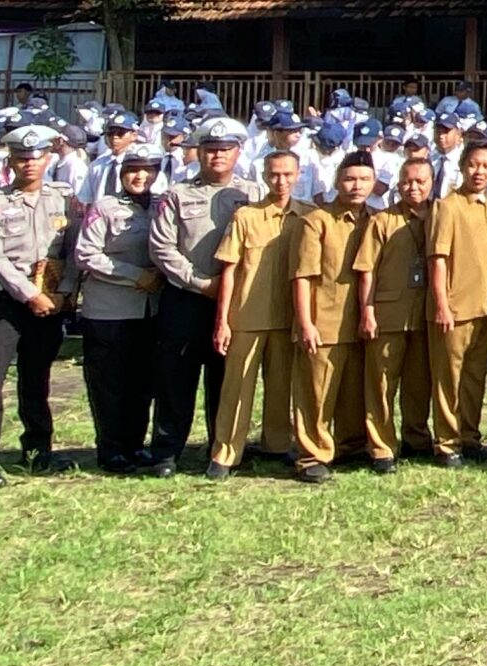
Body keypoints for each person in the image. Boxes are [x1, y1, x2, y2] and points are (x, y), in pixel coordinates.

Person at [0, 127, 77, 489]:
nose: (30, 163)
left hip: (49, 301)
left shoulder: (65, 199)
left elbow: (73, 250)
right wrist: (30, 294)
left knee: (37, 377)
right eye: (22, 157)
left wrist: (64, 292)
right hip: (2, 302)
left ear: (48, 158)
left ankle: (38, 449)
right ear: (9, 161)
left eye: (36, 156)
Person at [146, 118, 258, 470]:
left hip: (235, 300)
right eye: (210, 150)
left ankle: (222, 446)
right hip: (187, 297)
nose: (217, 156)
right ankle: (166, 450)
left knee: (226, 377)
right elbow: (162, 248)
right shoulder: (176, 194)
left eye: (225, 150)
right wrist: (201, 283)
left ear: (238, 152)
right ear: (199, 153)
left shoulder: (253, 194)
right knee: (175, 375)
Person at [204, 147, 303, 480]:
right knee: (237, 387)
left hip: (288, 317)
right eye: (274, 174)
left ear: (298, 176)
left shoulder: (307, 217)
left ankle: (277, 444)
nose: (281, 181)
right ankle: (225, 452)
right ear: (264, 176)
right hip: (247, 315)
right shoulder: (245, 217)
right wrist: (223, 321)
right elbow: (229, 270)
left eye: (288, 174)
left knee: (281, 386)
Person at [70, 143, 167, 473]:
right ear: (121, 173)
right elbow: (85, 254)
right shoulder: (105, 207)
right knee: (109, 383)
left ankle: (135, 445)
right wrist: (134, 275)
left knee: (142, 383)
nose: (140, 176)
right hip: (110, 308)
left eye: (148, 169)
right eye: (132, 170)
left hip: (149, 310)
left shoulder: (161, 205)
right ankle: (110, 449)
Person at [290, 152, 376, 484]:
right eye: (350, 179)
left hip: (362, 320)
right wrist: (306, 322)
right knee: (317, 393)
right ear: (337, 181)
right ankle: (312, 454)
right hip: (324, 318)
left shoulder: (376, 219)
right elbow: (302, 276)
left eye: (364, 179)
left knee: (354, 390)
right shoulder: (318, 220)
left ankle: (350, 445)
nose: (357, 186)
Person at [423, 139, 487, 465]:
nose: (479, 171)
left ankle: (470, 436)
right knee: (449, 378)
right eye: (474, 164)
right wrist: (442, 304)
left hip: (486, 307)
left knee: (474, 377)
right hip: (454, 308)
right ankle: (446, 442)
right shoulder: (447, 207)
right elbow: (437, 258)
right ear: (462, 166)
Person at [353, 156, 436, 473]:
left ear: (431, 183)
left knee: (419, 382)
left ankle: (416, 437)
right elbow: (366, 270)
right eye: (407, 182)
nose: (413, 187)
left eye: (420, 181)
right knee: (382, 383)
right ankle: (381, 446)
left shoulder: (438, 217)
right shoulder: (382, 221)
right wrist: (367, 311)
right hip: (388, 313)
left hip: (424, 314)